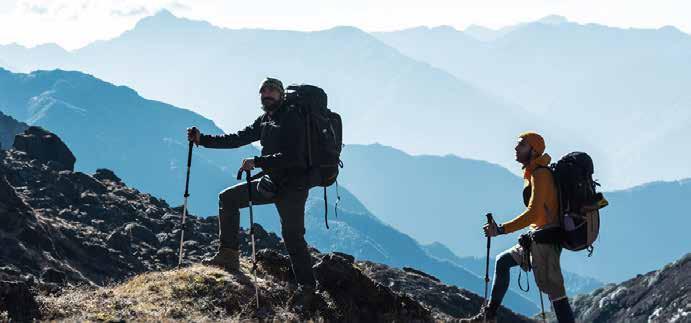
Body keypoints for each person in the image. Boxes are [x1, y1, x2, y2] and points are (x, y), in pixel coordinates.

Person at [187, 77, 316, 305]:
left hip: (293, 188)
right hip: (270, 182)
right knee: (227, 198)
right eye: (264, 91)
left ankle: (307, 288)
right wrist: (203, 139)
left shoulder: (292, 117)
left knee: (292, 236)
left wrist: (257, 161)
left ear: (281, 94)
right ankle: (228, 256)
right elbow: (238, 138)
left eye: (273, 91)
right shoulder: (265, 119)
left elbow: (294, 157)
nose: (267, 94)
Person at [461, 132, 575, 323]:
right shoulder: (533, 172)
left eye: (521, 145)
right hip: (536, 237)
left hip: (547, 240)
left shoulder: (541, 175)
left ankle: (490, 315)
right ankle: (489, 315)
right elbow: (536, 214)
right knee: (503, 261)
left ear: (533, 150)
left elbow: (533, 213)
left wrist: (500, 230)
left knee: (555, 292)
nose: (515, 148)